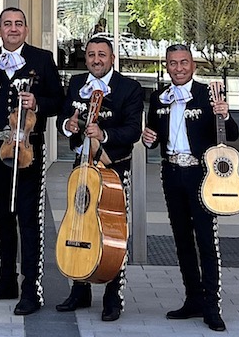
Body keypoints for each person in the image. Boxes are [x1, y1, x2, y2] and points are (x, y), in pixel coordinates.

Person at [0, 7, 64, 316]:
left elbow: (59, 101)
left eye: (18, 24)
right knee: (3, 217)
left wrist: (39, 102)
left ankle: (31, 289)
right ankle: (5, 280)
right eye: (7, 24)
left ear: (26, 29)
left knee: (29, 218)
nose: (13, 29)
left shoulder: (42, 58)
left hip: (28, 151)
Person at [142, 44, 239, 332]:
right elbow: (154, 137)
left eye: (184, 62)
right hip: (171, 172)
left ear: (193, 65)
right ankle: (193, 298)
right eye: (173, 63)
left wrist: (225, 114)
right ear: (167, 66)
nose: (179, 68)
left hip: (201, 174)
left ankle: (212, 306)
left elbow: (230, 135)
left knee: (206, 241)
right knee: (182, 240)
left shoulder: (207, 95)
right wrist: (148, 138)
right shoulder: (160, 97)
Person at [55, 35, 144, 321]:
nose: (96, 59)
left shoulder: (129, 88)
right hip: (81, 167)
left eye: (102, 54)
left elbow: (132, 130)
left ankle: (113, 297)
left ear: (112, 58)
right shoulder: (77, 83)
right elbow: (62, 118)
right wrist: (68, 126)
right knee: (78, 224)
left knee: (113, 233)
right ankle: (80, 290)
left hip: (114, 170)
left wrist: (103, 135)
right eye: (91, 54)